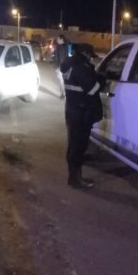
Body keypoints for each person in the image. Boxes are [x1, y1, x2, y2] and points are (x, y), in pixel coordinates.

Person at [60, 43, 104, 189]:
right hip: (81, 113)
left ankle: (73, 177)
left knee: (73, 146)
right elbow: (93, 89)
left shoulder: (70, 65)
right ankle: (76, 179)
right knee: (78, 147)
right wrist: (101, 79)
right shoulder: (80, 67)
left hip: (73, 110)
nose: (90, 59)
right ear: (84, 53)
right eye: (89, 56)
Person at [53, 35, 70, 99]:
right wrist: (56, 67)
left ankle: (65, 94)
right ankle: (63, 93)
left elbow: (70, 56)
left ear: (62, 39)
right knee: (61, 80)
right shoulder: (58, 46)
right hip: (60, 67)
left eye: (58, 39)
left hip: (66, 66)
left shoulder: (68, 46)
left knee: (65, 81)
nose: (57, 40)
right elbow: (56, 57)